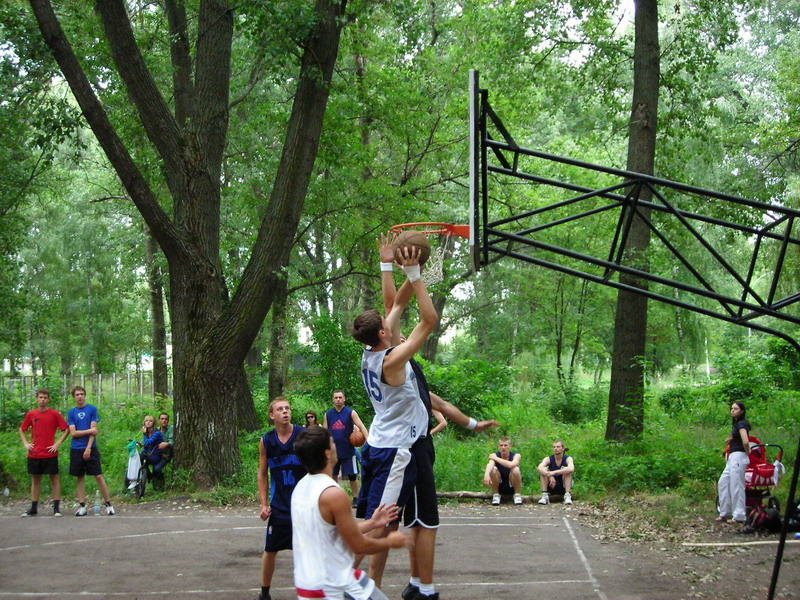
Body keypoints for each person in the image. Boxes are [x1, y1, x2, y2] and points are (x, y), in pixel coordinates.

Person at [352, 232, 499, 600]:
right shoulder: (393, 360)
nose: (390, 319)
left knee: (384, 522)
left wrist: (391, 265)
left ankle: (382, 587)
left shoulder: (372, 352)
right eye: (387, 322)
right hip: (395, 451)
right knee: (381, 525)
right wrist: (416, 276)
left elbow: (394, 303)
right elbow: (428, 319)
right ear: (384, 332)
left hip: (384, 444)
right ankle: (355, 586)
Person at [291, 426, 410, 600]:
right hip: (331, 585)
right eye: (332, 443)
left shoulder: (300, 488)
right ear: (327, 453)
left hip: (308, 582)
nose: (336, 446)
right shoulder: (333, 494)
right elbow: (359, 545)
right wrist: (390, 542)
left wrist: (373, 522)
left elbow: (334, 531)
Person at [257, 397, 306, 600]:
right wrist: (264, 504)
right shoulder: (267, 441)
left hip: (303, 505)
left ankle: (311, 592)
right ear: (272, 415)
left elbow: (319, 466)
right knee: (270, 549)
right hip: (279, 506)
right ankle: (264, 593)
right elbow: (262, 474)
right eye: (280, 409)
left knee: (307, 551)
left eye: (287, 408)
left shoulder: (303, 436)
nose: (285, 411)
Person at [19, 388, 70, 517]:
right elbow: (22, 429)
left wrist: (57, 443)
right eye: (41, 397)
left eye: (45, 398)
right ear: (37, 399)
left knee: (54, 479)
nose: (43, 400)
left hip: (50, 453)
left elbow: (66, 429)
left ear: (48, 399)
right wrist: (26, 443)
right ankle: (33, 508)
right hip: (34, 453)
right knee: (35, 480)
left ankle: (56, 508)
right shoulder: (31, 414)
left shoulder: (54, 414)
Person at [67, 386, 114, 516]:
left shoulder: (92, 409)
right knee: (80, 477)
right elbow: (73, 433)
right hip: (76, 448)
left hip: (90, 448)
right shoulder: (71, 412)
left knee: (98, 475)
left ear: (85, 395)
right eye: (77, 394)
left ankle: (108, 504)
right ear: (74, 397)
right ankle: (82, 506)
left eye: (82, 394)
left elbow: (94, 431)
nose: (80, 396)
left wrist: (88, 448)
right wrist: (89, 431)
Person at [323, 390, 369, 507]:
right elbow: (324, 432)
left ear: (344, 399)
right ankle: (335, 497)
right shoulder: (328, 414)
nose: (338, 399)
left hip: (348, 449)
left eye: (340, 397)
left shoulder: (350, 412)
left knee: (352, 475)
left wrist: (369, 440)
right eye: (336, 397)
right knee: (333, 475)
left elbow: (361, 426)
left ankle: (355, 498)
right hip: (334, 451)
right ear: (333, 400)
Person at [717, 401, 751, 523]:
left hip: (739, 456)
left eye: (736, 409)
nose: (732, 410)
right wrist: (731, 440)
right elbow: (739, 438)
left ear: (742, 411)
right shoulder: (737, 424)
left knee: (737, 485)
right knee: (723, 482)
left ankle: (739, 515)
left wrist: (748, 451)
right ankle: (725, 512)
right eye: (732, 408)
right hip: (733, 456)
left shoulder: (742, 424)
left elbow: (745, 440)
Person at [484, 437, 523, 506]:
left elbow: (511, 465)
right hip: (498, 484)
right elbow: (490, 465)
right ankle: (496, 495)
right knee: (493, 469)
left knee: (515, 469)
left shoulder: (516, 456)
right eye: (501, 445)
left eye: (505, 445)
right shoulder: (495, 455)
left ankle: (517, 495)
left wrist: (496, 458)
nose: (503, 447)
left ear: (510, 446)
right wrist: (486, 475)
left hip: (512, 484)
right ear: (498, 447)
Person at [536, 440, 574, 505]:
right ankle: (544, 495)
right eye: (554, 447)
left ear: (563, 448)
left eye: (558, 447)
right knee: (543, 470)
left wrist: (553, 472)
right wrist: (549, 475)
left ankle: (567, 495)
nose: (555, 448)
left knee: (566, 470)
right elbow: (539, 467)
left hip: (563, 485)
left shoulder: (568, 458)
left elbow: (571, 469)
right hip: (551, 485)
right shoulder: (548, 459)